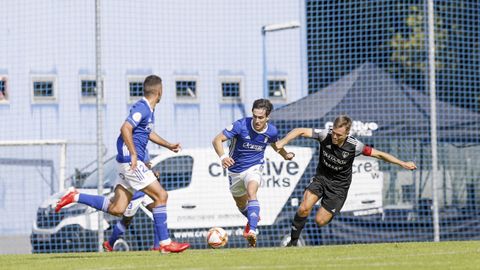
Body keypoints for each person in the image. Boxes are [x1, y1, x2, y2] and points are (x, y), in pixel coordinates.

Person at [56, 75, 190, 253]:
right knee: (161, 196)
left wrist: (168, 145)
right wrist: (134, 154)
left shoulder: (149, 110)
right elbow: (125, 127)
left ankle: (75, 196)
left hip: (126, 163)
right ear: (159, 91)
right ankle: (164, 243)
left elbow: (148, 133)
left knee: (117, 208)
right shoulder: (142, 107)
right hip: (130, 162)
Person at [275, 115, 417, 246]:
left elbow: (379, 154)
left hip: (339, 188)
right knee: (304, 207)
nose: (335, 137)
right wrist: (283, 141)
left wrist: (402, 163)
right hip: (321, 179)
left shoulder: (355, 146)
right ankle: (293, 242)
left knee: (320, 221)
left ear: (347, 134)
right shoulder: (325, 135)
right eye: (334, 133)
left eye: (339, 135)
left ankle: (327, 211)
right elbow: (300, 131)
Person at [212, 98, 295, 247]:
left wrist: (285, 155)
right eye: (255, 116)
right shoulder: (240, 125)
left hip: (254, 167)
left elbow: (276, 145)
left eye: (261, 117)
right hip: (234, 171)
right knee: (240, 204)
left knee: (252, 193)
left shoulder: (272, 131)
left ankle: (252, 231)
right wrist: (223, 157)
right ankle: (254, 217)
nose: (257, 120)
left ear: (267, 117)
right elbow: (217, 140)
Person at [103, 154, 161, 252]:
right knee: (126, 221)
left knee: (159, 211)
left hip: (144, 189)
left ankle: (157, 246)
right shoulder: (129, 149)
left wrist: (152, 173)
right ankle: (110, 243)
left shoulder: (143, 146)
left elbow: (145, 167)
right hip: (135, 191)